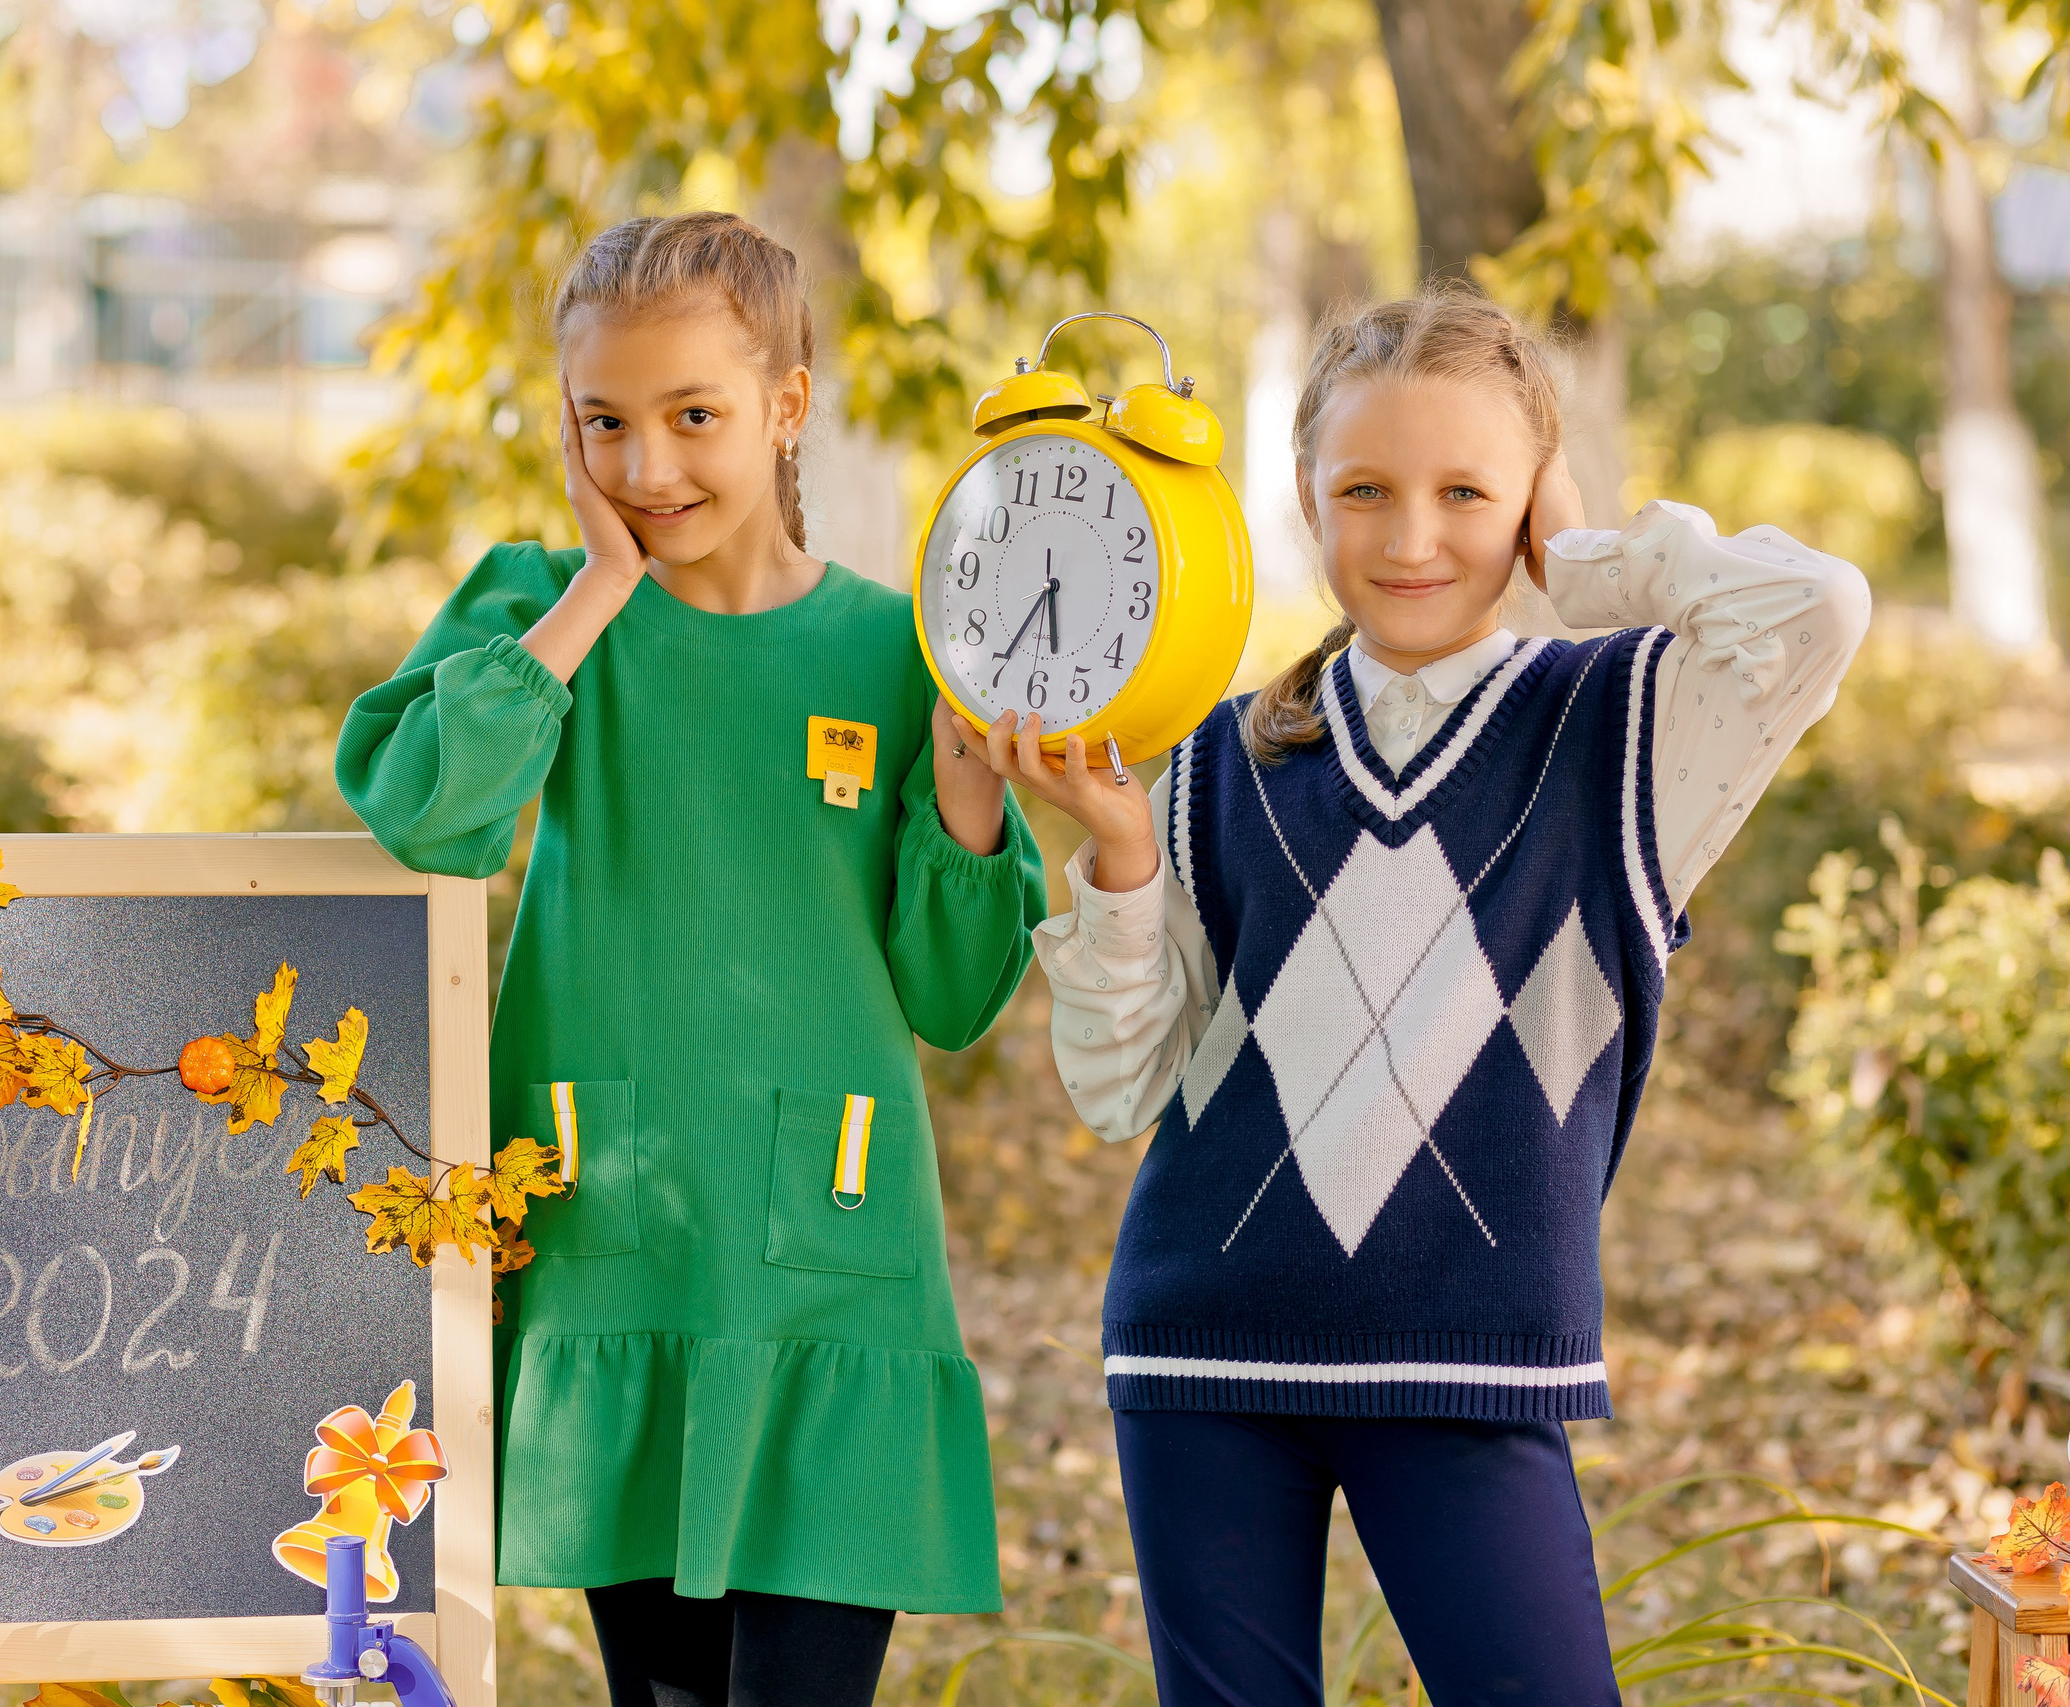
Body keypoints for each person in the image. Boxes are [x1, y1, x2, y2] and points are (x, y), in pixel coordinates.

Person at [976, 285, 1870, 1705]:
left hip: (1475, 1368)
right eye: (1366, 490)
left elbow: (1820, 608)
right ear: (1308, 502)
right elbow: (1119, 1088)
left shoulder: (1624, 728)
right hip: (1201, 1350)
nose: (1410, 537)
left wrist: (1588, 562)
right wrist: (1124, 861)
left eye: (1467, 491)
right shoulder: (1214, 762)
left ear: (1533, 499)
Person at [334, 211, 1045, 1707]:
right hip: (619, 1251)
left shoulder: (906, 649)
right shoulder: (543, 612)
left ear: (789, 406)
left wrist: (972, 790)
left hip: (833, 1277)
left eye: (696, 417)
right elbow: (424, 814)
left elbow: (953, 995)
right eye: (607, 424)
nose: (649, 470)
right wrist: (596, 590)